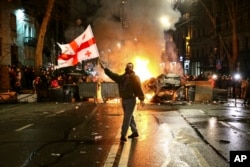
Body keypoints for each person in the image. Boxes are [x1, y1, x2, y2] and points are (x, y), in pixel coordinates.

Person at [100, 62, 145, 142]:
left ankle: (123, 135)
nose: (129, 68)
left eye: (131, 67)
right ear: (126, 67)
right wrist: (105, 69)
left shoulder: (135, 78)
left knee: (127, 118)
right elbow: (112, 75)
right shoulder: (122, 77)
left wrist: (142, 99)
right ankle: (135, 132)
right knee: (129, 116)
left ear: (132, 68)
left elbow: (138, 88)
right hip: (124, 100)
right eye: (128, 66)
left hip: (131, 100)